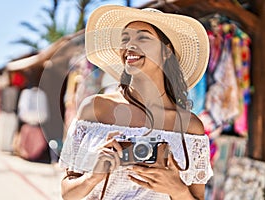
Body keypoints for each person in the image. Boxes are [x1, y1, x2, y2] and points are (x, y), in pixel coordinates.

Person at [59, 5, 213, 200]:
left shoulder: (190, 127)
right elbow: (67, 193)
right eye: (125, 39)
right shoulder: (95, 109)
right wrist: (92, 177)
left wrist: (178, 190)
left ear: (166, 51)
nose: (129, 46)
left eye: (143, 37)